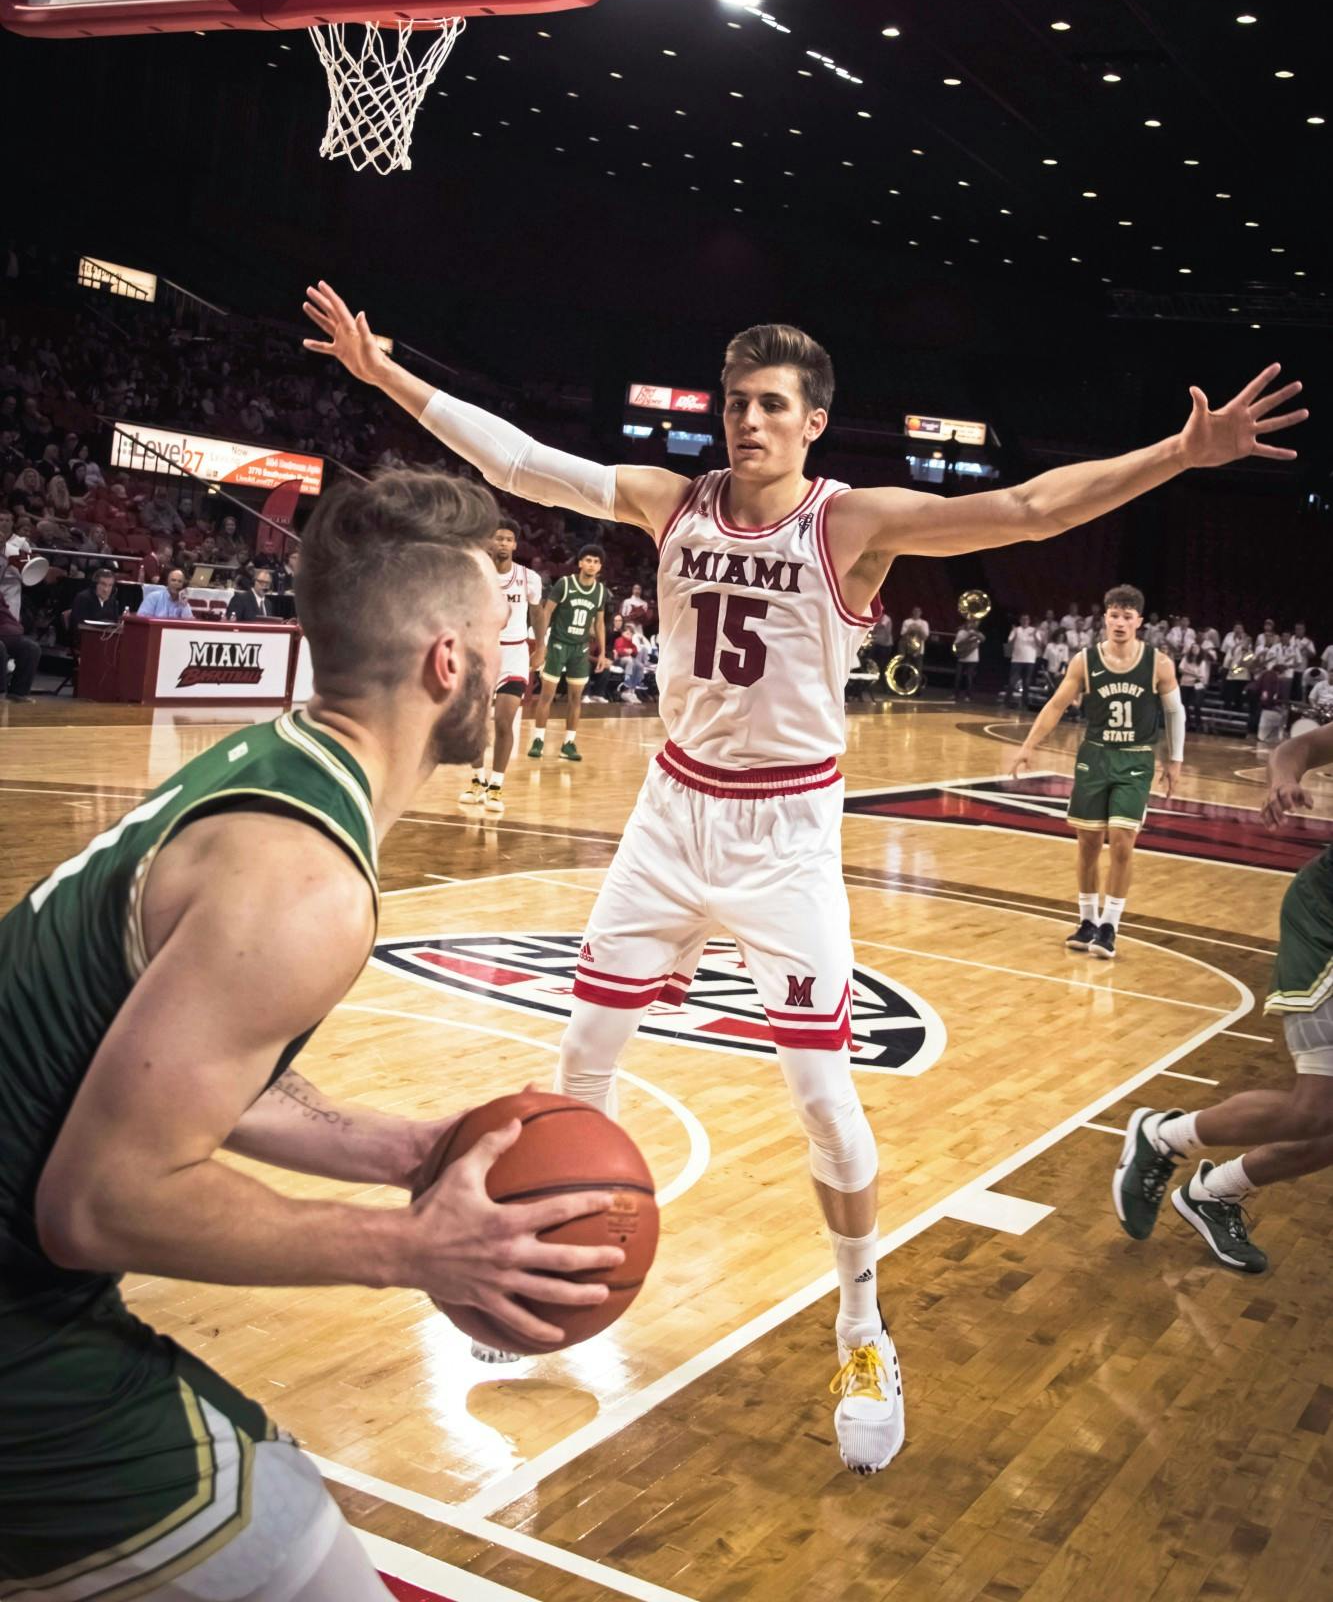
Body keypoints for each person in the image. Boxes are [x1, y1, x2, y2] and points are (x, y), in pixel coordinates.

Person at [302, 279, 1305, 1477]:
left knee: (825, 1103)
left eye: (771, 404)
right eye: (735, 402)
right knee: (580, 1061)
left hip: (785, 839)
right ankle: (551, 1277)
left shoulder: (848, 524)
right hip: (669, 817)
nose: (747, 421)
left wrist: (1177, 456)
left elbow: (1031, 507)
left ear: (814, 420)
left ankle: (861, 1323)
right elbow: (521, 461)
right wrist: (387, 377)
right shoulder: (671, 500)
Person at [0, 468, 625, 1600]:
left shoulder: (269, 764)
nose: (508, 657)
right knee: (308, 1566)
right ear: (449, 662)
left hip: (33, 1301)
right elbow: (96, 1201)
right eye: (498, 634)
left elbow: (169, 1071)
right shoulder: (307, 885)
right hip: (17, 1328)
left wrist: (395, 1148)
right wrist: (412, 1247)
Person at [1112, 719, 1333, 1274]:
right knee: (1314, 1110)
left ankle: (1216, 1193)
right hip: (1325, 921)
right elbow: (1301, 746)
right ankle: (1163, 1137)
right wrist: (1282, 779)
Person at [1011, 585, 1189, 962]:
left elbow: (1175, 713)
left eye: (1127, 616)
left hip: (1136, 758)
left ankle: (1110, 925)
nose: (1120, 622)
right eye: (1114, 615)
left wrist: (1175, 760)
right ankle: (1087, 920)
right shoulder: (1084, 661)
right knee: (1088, 844)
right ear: (1104, 618)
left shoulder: (1158, 663)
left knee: (1122, 840)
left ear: (1139, 621)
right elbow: (1057, 705)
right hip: (1095, 757)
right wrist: (1028, 745)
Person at [460, 516, 543, 816]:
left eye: (508, 539)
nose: (503, 543)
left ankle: (496, 786)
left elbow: (538, 613)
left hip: (515, 654)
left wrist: (541, 646)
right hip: (482, 653)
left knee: (504, 721)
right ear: (489, 542)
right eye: (498, 538)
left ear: (515, 545)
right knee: (476, 722)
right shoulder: (476, 575)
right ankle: (476, 780)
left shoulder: (528, 578)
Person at [527, 547, 611, 763]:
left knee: (575, 698)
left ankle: (568, 743)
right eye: (588, 560)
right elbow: (547, 612)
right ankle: (538, 740)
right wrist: (541, 644)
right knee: (547, 696)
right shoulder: (564, 584)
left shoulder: (600, 591)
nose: (592, 564)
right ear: (580, 563)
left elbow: (599, 623)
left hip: (580, 649)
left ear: (600, 567)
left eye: (596, 562)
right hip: (557, 645)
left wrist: (602, 652)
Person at [69, 567, 124, 639]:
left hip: (105, 640)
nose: (106, 589)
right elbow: (79, 626)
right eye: (103, 584)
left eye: (110, 585)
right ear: (95, 585)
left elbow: (115, 625)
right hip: (86, 640)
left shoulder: (113, 601)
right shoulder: (83, 598)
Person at [1004, 615, 1039, 708]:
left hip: (1030, 660)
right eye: (1023, 619)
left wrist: (1035, 635)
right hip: (1017, 659)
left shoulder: (1034, 630)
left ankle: (1024, 704)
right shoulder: (1016, 630)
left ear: (1029, 620)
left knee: (1026, 683)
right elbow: (1009, 643)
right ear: (1020, 620)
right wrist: (1015, 634)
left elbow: (1040, 644)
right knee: (1012, 681)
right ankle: (1006, 702)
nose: (1025, 621)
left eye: (1026, 619)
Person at [1178, 640, 1210, 731]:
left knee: (1197, 704)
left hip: (1197, 684)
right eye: (1193, 648)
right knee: (1184, 704)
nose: (1194, 649)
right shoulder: (1186, 658)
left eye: (1196, 648)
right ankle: (1187, 722)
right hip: (1185, 683)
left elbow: (1201, 675)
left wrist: (1188, 673)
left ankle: (1198, 724)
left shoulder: (1202, 662)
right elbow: (1180, 669)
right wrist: (1193, 674)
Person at [952, 614, 983, 701]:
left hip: (973, 659)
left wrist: (974, 634)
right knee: (958, 677)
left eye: (972, 623)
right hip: (962, 657)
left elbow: (983, 639)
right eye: (968, 623)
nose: (970, 625)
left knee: (969, 678)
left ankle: (968, 696)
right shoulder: (961, 632)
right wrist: (967, 638)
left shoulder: (977, 633)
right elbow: (957, 644)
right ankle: (955, 694)